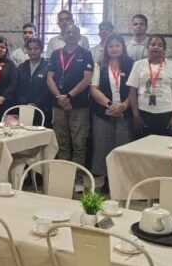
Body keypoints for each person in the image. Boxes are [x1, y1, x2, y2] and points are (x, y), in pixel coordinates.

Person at [47, 24, 94, 167]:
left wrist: (68, 96)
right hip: (58, 105)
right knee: (61, 143)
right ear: (63, 35)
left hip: (79, 105)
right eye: (68, 32)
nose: (71, 35)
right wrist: (59, 97)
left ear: (79, 36)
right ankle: (63, 174)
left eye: (74, 32)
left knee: (79, 144)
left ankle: (77, 175)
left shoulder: (86, 54)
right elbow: (49, 78)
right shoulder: (56, 54)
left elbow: (86, 79)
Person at [89, 33, 133, 188]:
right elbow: (94, 89)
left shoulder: (132, 65)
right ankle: (106, 180)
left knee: (122, 146)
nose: (114, 49)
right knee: (103, 146)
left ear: (123, 47)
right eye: (111, 46)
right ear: (106, 48)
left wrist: (123, 106)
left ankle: (121, 181)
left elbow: (135, 90)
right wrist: (109, 105)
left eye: (117, 45)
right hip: (103, 112)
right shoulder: (99, 65)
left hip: (125, 112)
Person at [127, 35, 172, 137]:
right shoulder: (138, 64)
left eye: (160, 45)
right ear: (147, 47)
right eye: (153, 44)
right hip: (143, 112)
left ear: (164, 49)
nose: (156, 47)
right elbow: (132, 91)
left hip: (166, 113)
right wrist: (136, 115)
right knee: (143, 144)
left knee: (165, 144)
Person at [15, 38, 53, 126]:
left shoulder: (48, 66)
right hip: (23, 107)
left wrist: (36, 103)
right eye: (30, 49)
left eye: (36, 48)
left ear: (41, 50)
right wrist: (24, 103)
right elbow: (16, 87)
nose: (32, 51)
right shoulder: (21, 67)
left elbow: (48, 88)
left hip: (42, 108)